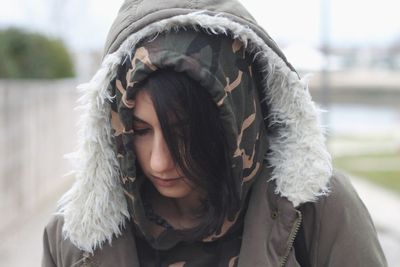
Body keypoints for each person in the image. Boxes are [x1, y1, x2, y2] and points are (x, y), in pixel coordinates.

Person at [42, 0, 387, 266]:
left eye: (184, 131)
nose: (160, 162)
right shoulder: (74, 239)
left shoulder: (317, 212)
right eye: (140, 130)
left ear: (235, 120)